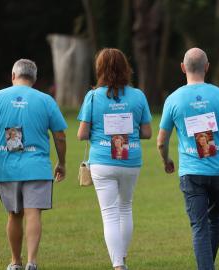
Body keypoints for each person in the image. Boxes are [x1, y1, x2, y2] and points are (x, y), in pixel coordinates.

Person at [157, 47, 219, 270]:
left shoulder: (173, 99)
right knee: (214, 219)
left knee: (199, 226)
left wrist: (165, 159)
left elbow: (161, 140)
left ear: (183, 68)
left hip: (192, 172)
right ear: (207, 67)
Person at [0, 59, 67, 270]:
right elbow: (60, 136)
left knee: (14, 215)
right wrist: (61, 163)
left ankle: (15, 262)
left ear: (13, 76)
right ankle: (32, 262)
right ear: (34, 79)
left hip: (7, 167)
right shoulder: (46, 100)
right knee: (33, 212)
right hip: (37, 167)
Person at [77, 48, 152, 270]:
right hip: (130, 159)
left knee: (109, 213)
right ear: (125, 68)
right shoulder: (138, 96)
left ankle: (118, 264)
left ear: (100, 69)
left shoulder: (92, 97)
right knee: (125, 208)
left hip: (102, 159)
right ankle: (123, 257)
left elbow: (81, 134)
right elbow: (147, 132)